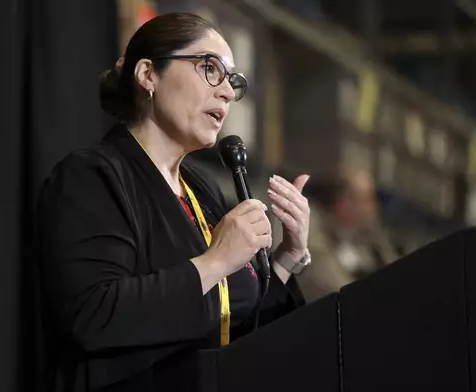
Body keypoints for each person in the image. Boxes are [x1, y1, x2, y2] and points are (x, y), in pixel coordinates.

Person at [34, 12, 313, 392]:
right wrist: (214, 262)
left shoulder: (203, 190)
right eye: (209, 68)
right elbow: (96, 316)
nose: (228, 92)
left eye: (232, 81)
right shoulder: (91, 177)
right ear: (149, 74)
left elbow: (236, 325)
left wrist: (288, 255)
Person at [297, 168, 398, 303]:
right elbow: (342, 294)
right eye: (367, 200)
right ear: (342, 204)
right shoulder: (311, 237)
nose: (373, 209)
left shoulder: (368, 243)